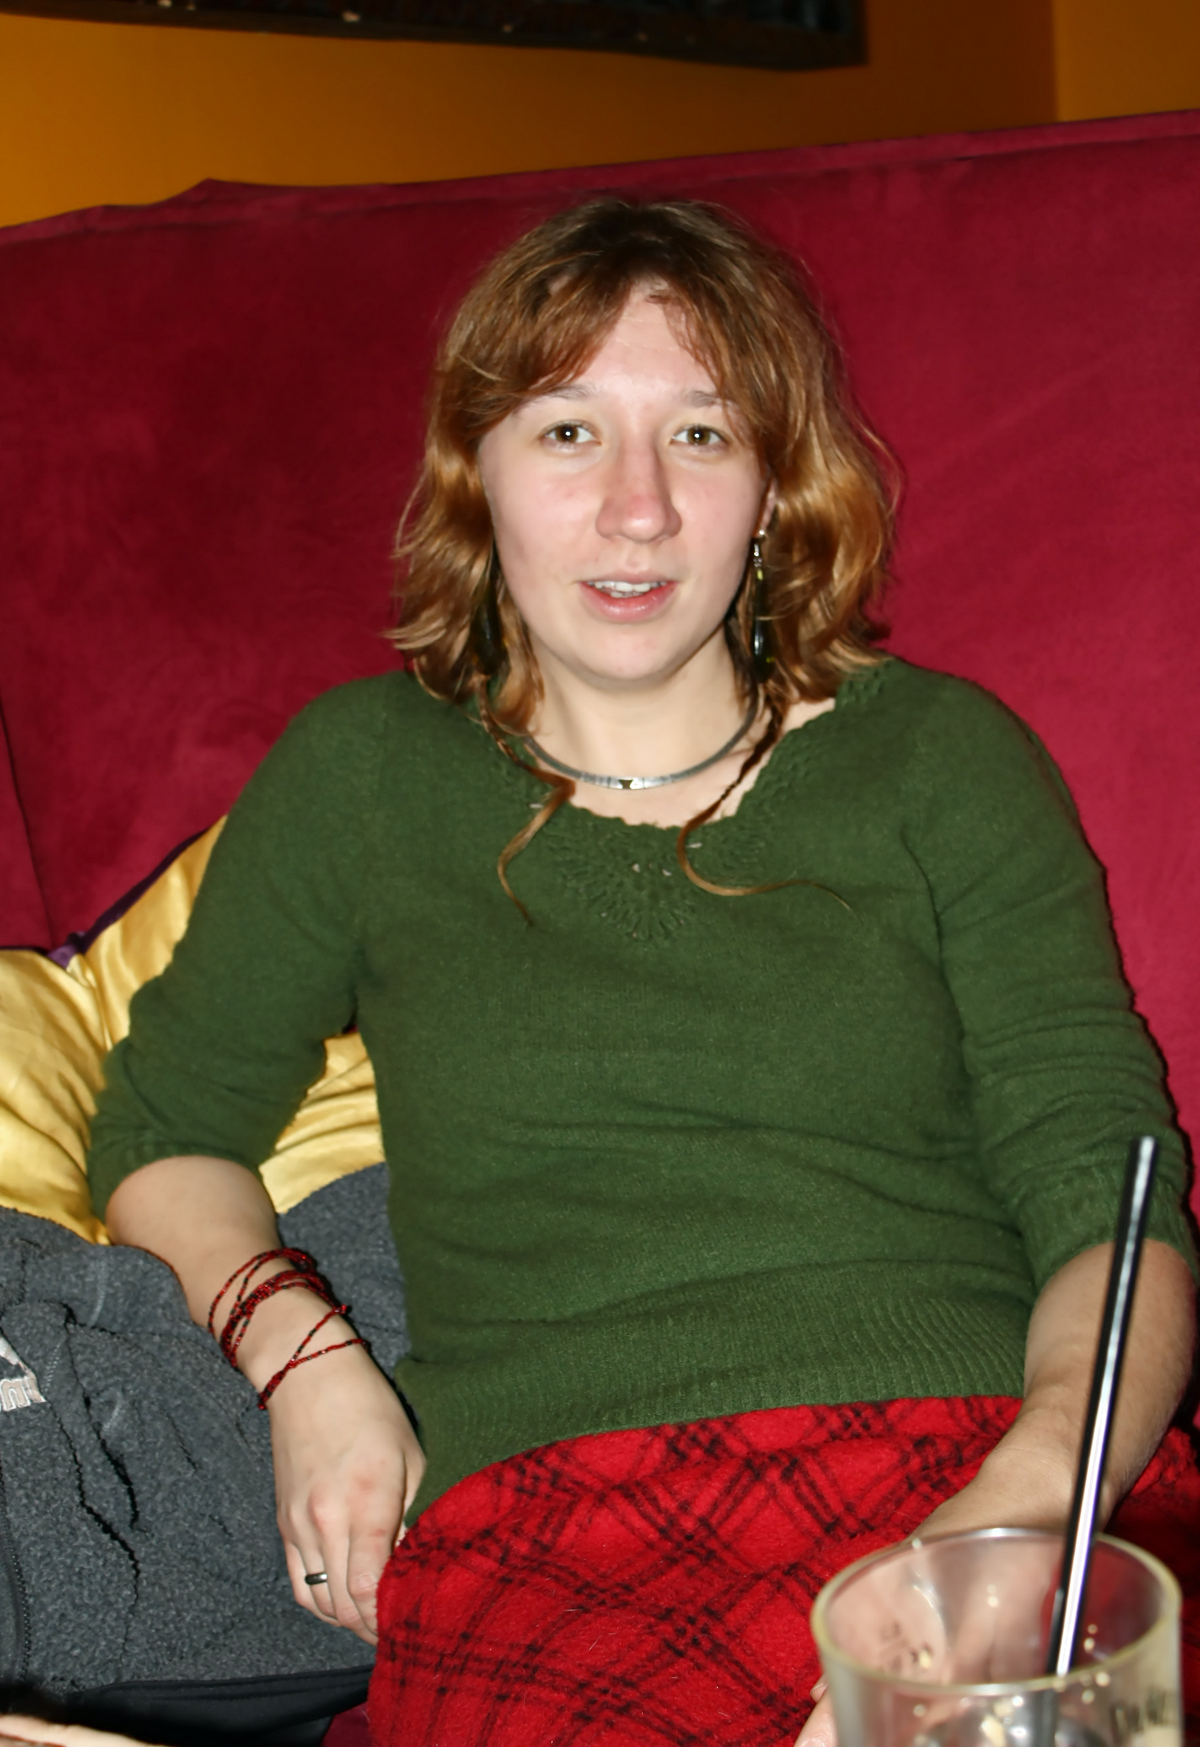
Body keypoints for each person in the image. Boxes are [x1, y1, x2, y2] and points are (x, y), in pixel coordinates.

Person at [86, 199, 1198, 1747]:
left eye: (699, 433)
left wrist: (1025, 1505)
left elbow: (1108, 1189)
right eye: (567, 432)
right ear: (475, 473)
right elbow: (162, 1128)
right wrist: (307, 1361)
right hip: (545, 1532)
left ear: (774, 486)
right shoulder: (362, 776)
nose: (637, 511)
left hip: (973, 1458)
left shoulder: (943, 759)